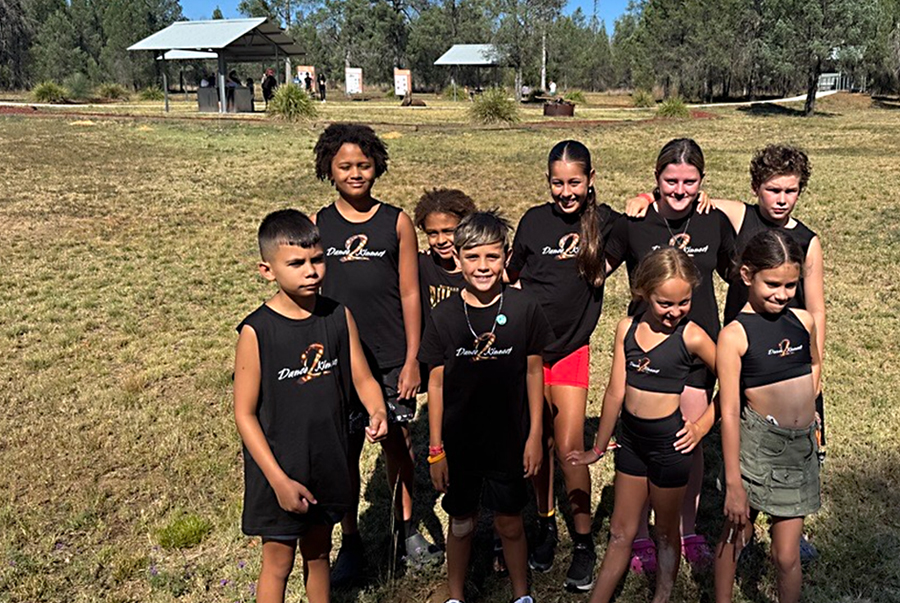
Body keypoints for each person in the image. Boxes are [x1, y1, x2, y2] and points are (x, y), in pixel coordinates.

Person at [233, 209, 389, 603]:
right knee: (278, 563)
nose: (311, 271)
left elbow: (363, 378)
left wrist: (377, 410)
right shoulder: (257, 331)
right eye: (296, 263)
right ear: (267, 270)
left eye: (317, 260)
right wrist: (279, 481)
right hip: (281, 470)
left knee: (319, 553)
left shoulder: (338, 316)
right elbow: (244, 414)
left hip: (329, 462)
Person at [313, 123, 441, 586]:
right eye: (345, 165)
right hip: (340, 360)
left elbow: (411, 293)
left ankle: (406, 529)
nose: (355, 173)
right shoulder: (320, 225)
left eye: (363, 165)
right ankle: (350, 539)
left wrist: (412, 358)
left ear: (377, 166)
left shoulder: (397, 221)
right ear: (329, 167)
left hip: (391, 358)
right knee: (344, 451)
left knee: (399, 443)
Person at [605, 138, 734, 572]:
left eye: (690, 181)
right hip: (647, 348)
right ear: (656, 178)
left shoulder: (712, 220)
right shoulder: (635, 220)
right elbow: (596, 265)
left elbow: (741, 272)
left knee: (689, 440)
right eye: (670, 180)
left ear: (702, 181)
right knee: (642, 438)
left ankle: (686, 529)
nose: (680, 190)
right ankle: (641, 536)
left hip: (697, 348)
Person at [568, 247, 717, 603]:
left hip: (670, 446)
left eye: (684, 302)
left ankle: (662, 597)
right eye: (665, 303)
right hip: (631, 442)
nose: (675, 312)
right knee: (621, 533)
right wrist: (598, 447)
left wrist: (701, 426)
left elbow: (733, 380)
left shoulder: (692, 335)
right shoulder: (627, 329)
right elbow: (615, 392)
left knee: (666, 533)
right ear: (644, 293)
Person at [419, 211, 552, 603]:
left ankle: (521, 595)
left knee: (510, 524)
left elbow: (533, 372)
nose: (482, 267)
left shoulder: (525, 308)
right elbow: (437, 383)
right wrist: (436, 449)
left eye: (492, 257)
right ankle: (456, 595)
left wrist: (533, 437)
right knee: (461, 522)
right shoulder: (443, 316)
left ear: (506, 257)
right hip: (460, 444)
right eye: (473, 257)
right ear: (457, 259)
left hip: (509, 439)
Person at [505, 140, 619, 590]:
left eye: (575, 182)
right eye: (558, 182)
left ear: (591, 179)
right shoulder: (534, 220)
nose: (566, 191)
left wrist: (646, 199)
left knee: (570, 447)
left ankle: (585, 541)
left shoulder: (605, 221)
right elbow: (510, 275)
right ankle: (546, 523)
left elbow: (643, 232)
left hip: (571, 350)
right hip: (529, 352)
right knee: (538, 443)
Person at [714, 230, 821, 603]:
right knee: (736, 536)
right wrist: (733, 483)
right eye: (772, 283)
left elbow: (815, 365)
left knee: (787, 555)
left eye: (791, 285)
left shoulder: (803, 321)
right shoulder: (734, 335)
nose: (782, 293)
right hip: (759, 450)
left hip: (799, 453)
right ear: (747, 275)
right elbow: (728, 411)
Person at [414, 188, 477, 326]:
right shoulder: (421, 265)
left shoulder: (479, 270)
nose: (441, 240)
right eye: (432, 233)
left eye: (448, 231)